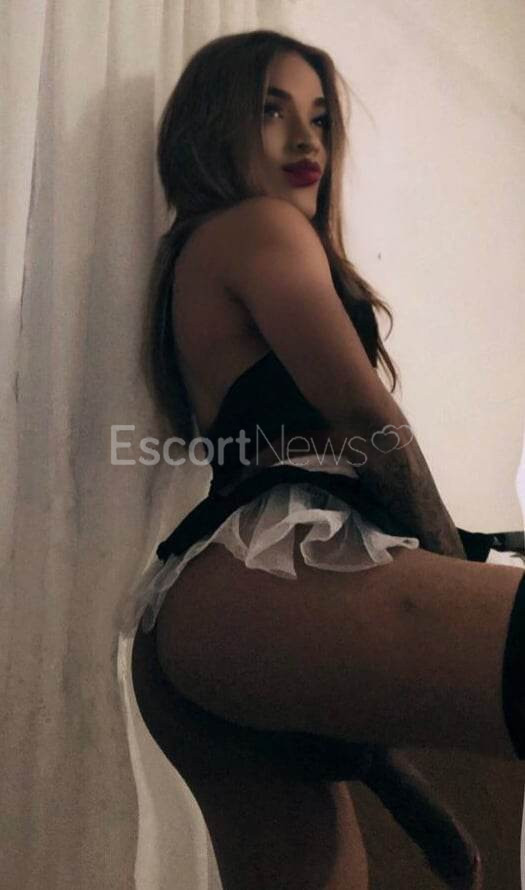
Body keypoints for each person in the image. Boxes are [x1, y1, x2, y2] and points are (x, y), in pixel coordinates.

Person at [130, 29, 525, 890]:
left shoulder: (193, 259)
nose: (305, 139)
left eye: (319, 118)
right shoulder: (258, 224)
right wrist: (451, 567)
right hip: (260, 577)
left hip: (212, 617)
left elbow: (331, 647)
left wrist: (407, 792)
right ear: (213, 125)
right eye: (271, 111)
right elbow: (359, 414)